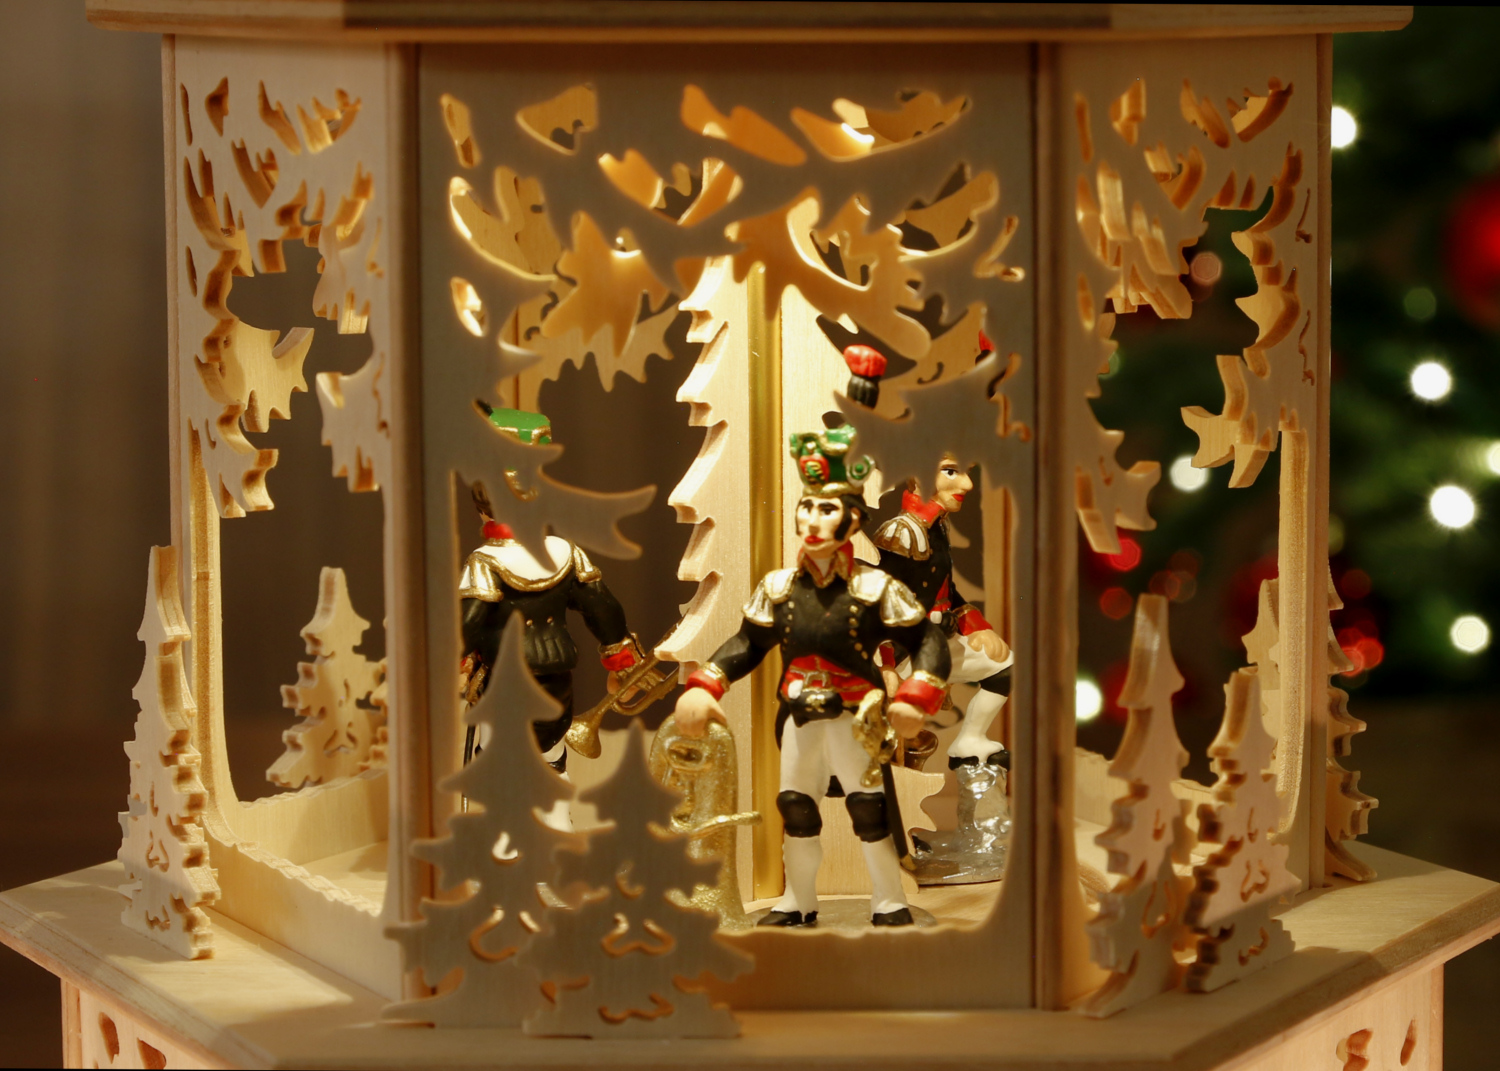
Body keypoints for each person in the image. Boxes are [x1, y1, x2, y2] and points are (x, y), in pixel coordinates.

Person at [672, 424, 950, 928]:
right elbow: (748, 643)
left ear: (853, 519)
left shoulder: (874, 587)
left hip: (856, 720)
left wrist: (915, 696)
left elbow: (926, 640)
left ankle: (888, 901)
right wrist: (705, 684)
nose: (813, 519)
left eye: (827, 508)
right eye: (808, 507)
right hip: (798, 718)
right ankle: (796, 900)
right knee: (796, 808)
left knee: (869, 810)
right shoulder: (779, 587)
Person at [844, 342, 1014, 772]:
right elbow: (879, 600)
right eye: (951, 472)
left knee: (1003, 668)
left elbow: (945, 591)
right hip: (904, 650)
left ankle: (970, 741)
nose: (966, 485)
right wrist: (885, 663)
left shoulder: (936, 527)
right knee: (898, 736)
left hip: (937, 640)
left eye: (965, 472)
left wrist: (976, 626)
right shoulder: (902, 534)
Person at [458, 407, 643, 773]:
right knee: (551, 765)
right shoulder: (565, 553)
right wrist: (623, 665)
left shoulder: (484, 562)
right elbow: (604, 610)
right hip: (557, 685)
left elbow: (468, 625)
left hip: (504, 687)